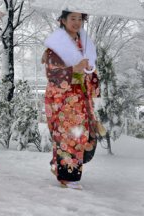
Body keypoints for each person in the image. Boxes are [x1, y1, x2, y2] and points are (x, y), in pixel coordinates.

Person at [42, 11, 100, 190]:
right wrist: (75, 68)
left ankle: (59, 166)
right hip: (64, 99)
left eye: (80, 19)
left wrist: (90, 72)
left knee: (80, 135)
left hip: (80, 97)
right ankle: (68, 176)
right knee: (69, 135)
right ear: (63, 20)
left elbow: (91, 72)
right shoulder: (56, 45)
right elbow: (52, 73)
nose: (76, 22)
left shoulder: (85, 44)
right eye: (72, 18)